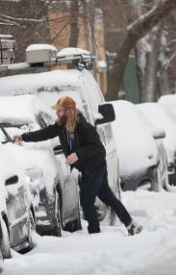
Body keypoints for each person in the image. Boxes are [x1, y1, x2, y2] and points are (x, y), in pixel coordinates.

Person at [12, 95, 143, 236]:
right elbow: (45, 133)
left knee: (86, 201)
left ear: (69, 111)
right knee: (108, 198)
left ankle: (95, 233)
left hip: (94, 168)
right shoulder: (61, 126)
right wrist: (23, 137)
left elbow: (99, 149)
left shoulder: (85, 127)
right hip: (88, 169)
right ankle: (130, 224)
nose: (57, 113)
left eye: (60, 111)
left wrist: (77, 154)